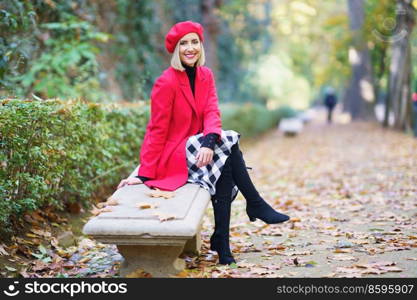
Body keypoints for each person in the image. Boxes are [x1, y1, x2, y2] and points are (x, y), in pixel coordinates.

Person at [117, 21, 290, 265]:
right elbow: (156, 129)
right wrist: (145, 173)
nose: (190, 48)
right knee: (230, 144)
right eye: (184, 44)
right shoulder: (165, 82)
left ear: (201, 45)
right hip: (176, 154)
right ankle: (254, 205)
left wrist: (209, 141)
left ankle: (223, 241)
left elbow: (211, 111)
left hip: (200, 149)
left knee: (226, 162)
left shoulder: (205, 75)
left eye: (194, 42)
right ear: (176, 50)